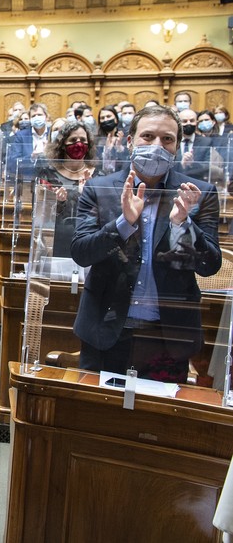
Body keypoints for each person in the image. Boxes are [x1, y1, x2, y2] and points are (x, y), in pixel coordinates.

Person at [71, 104, 221, 382]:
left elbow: (209, 266)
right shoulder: (99, 188)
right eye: (148, 136)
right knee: (95, 419)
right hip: (106, 329)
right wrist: (123, 224)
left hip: (166, 336)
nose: (157, 145)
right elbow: (82, 252)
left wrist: (183, 225)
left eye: (167, 139)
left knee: (153, 424)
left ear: (176, 146)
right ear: (130, 142)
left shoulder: (198, 194)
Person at [35, 120, 100, 258]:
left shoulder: (99, 174)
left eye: (83, 139)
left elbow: (105, 213)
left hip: (88, 239)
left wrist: (88, 194)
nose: (79, 143)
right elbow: (40, 215)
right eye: (73, 139)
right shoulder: (48, 173)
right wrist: (57, 202)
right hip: (56, 240)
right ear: (63, 144)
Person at [96, 105, 128, 173]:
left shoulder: (125, 137)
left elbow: (127, 160)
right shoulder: (96, 140)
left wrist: (119, 148)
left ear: (116, 119)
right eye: (102, 118)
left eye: (108, 116)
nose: (106, 120)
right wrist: (106, 151)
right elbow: (96, 162)